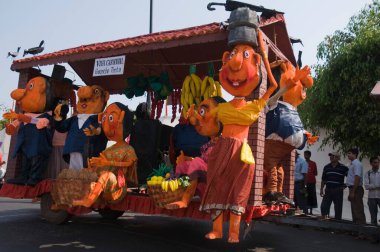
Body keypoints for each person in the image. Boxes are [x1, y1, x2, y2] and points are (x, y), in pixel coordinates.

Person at [320, 152, 348, 220]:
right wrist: (321, 189)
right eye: (330, 156)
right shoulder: (326, 167)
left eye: (333, 156)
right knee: (324, 206)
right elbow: (323, 179)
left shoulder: (343, 167)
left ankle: (337, 224)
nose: (331, 157)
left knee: (338, 207)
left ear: (338, 158)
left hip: (338, 190)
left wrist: (344, 186)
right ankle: (324, 222)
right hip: (328, 189)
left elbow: (350, 178)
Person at [346, 148, 366, 225]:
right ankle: (356, 231)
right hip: (352, 188)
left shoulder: (356, 164)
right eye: (348, 153)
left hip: (356, 189)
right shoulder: (352, 164)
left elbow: (357, 177)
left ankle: (362, 233)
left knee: (358, 210)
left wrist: (353, 191)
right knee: (354, 210)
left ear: (355, 154)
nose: (348, 155)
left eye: (350, 153)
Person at [364, 156, 380, 226]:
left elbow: (369, 186)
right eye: (375, 162)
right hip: (371, 197)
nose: (376, 164)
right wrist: (377, 186)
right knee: (373, 216)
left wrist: (372, 186)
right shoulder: (368, 173)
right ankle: (373, 232)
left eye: (378, 162)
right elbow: (367, 186)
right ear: (371, 163)